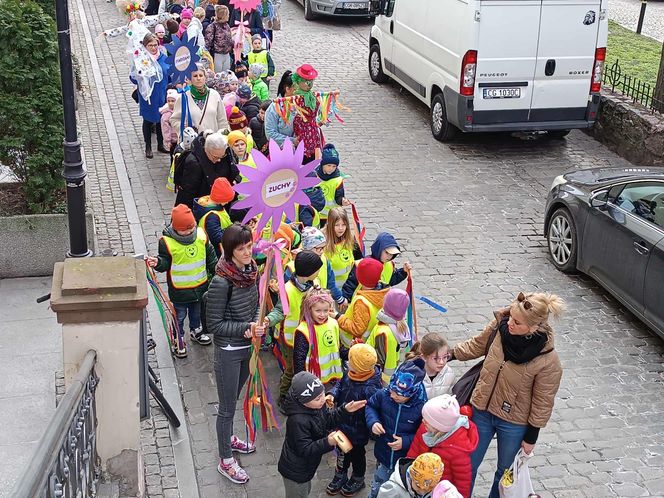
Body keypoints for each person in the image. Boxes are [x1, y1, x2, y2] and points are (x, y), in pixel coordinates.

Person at [451, 292, 564, 498]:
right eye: (511, 317)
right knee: (466, 464)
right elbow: (476, 345)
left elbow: (543, 401)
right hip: (482, 409)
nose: (510, 323)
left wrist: (531, 437)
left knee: (505, 475)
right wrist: (449, 354)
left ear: (534, 328)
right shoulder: (499, 328)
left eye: (517, 322)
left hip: (514, 422)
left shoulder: (548, 360)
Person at [205, 224, 267, 484]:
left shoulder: (251, 271)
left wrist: (257, 323)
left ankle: (228, 438)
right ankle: (225, 459)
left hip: (247, 349)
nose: (247, 252)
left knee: (234, 397)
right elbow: (214, 325)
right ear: (228, 251)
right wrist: (247, 328)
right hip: (229, 352)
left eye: (249, 246)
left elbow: (255, 305)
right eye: (240, 249)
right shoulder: (221, 282)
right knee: (227, 407)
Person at [278, 371, 367, 498]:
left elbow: (327, 420)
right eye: (317, 398)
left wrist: (345, 410)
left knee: (305, 490)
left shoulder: (316, 406)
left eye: (322, 394)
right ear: (304, 401)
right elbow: (305, 449)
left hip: (307, 467)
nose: (322, 400)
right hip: (295, 472)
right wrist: (328, 442)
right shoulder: (297, 421)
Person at [147, 204, 217, 357]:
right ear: (175, 228)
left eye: (190, 228)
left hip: (199, 287)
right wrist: (157, 263)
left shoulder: (201, 236)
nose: (188, 232)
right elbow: (166, 262)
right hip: (179, 291)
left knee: (196, 313)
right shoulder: (167, 242)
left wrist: (218, 270)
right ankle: (178, 338)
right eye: (184, 230)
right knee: (179, 316)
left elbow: (210, 256)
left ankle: (196, 330)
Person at [265, 250, 323, 409]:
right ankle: (283, 396)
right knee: (291, 370)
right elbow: (278, 311)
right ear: (309, 272)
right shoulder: (288, 290)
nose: (319, 272)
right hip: (290, 340)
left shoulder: (314, 284)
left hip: (308, 336)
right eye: (317, 269)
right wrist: (268, 320)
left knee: (303, 366)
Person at [365, 358, 427, 498]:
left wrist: (405, 442)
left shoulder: (422, 407)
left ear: (411, 393)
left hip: (405, 462)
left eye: (398, 394)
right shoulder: (385, 394)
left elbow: (424, 434)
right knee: (378, 483)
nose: (392, 395)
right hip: (384, 455)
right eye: (392, 390)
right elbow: (370, 406)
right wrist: (373, 422)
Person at [326, 344, 382, 496]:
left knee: (357, 455)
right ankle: (340, 474)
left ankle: (358, 477)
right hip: (342, 424)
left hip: (358, 430)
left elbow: (373, 409)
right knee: (342, 452)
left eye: (350, 359)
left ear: (359, 366)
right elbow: (339, 385)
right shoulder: (349, 373)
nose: (347, 361)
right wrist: (332, 394)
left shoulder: (371, 388)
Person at [407, 395, 479, 498]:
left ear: (440, 425)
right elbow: (414, 451)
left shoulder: (458, 451)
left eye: (427, 420)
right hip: (418, 483)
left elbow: (462, 482)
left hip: (439, 492)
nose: (423, 421)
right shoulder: (424, 429)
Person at [173, 131, 240, 208]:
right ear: (206, 149)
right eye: (215, 157)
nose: (219, 160)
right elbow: (187, 194)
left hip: (223, 205)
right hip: (202, 207)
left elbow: (234, 174)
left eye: (222, 156)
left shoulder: (227, 154)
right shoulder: (193, 163)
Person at [130, 33, 169, 158]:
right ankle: (148, 146)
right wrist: (139, 75)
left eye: (155, 45)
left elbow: (168, 73)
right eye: (150, 45)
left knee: (161, 120)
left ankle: (160, 144)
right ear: (145, 46)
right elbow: (133, 78)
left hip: (161, 94)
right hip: (148, 95)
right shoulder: (141, 60)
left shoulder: (163, 57)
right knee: (148, 120)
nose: (153, 48)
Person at [293, 288, 343, 385]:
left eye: (326, 310)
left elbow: (337, 348)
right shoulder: (303, 331)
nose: (322, 314)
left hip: (332, 378)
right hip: (312, 381)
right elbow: (299, 360)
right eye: (318, 310)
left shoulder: (333, 323)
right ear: (309, 309)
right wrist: (302, 383)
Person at [336, 258, 389, 349]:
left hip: (354, 346)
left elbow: (357, 329)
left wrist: (338, 317)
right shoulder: (384, 291)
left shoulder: (362, 302)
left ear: (359, 278)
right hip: (369, 342)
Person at [343, 232, 411, 302]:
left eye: (392, 254)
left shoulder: (389, 265)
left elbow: (391, 280)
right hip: (361, 303)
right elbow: (351, 284)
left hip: (378, 303)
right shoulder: (363, 264)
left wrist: (403, 271)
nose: (389, 256)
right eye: (387, 252)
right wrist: (346, 299)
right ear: (379, 249)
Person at [171, 64, 229, 139]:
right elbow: (174, 119)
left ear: (205, 77)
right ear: (190, 78)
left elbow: (222, 120)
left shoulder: (214, 95)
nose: (198, 78)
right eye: (195, 76)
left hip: (213, 142)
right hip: (192, 143)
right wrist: (182, 126)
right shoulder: (183, 98)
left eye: (201, 75)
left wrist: (223, 138)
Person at [367, 288, 411, 385]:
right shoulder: (402, 324)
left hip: (381, 379)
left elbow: (379, 359)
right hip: (393, 374)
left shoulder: (383, 332)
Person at [298, 227, 346, 310]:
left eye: (323, 248)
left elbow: (331, 283)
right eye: (318, 248)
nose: (322, 251)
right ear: (307, 248)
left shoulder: (324, 260)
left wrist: (339, 298)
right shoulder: (297, 263)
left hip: (321, 306)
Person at [193, 177, 236, 257]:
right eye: (226, 200)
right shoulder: (212, 216)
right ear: (220, 198)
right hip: (216, 253)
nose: (227, 202)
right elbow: (216, 238)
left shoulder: (216, 207)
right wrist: (234, 232)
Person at [407, 333, 455, 400]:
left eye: (445, 357)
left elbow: (451, 398)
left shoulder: (449, 374)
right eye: (435, 358)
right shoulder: (411, 375)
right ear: (424, 357)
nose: (441, 362)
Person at [324, 207, 361, 291]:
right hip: (331, 292)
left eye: (343, 225)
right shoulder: (323, 244)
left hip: (349, 289)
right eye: (337, 225)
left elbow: (359, 262)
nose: (341, 228)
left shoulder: (350, 241)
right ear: (330, 225)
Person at [292, 64, 322, 162]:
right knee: (302, 157)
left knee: (313, 156)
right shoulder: (296, 98)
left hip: (312, 131)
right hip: (302, 130)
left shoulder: (312, 96)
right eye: (306, 81)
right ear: (299, 81)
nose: (309, 84)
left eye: (311, 81)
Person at [379, 453, 445, 498]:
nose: (422, 492)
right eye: (418, 486)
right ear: (411, 476)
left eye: (428, 489)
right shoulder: (392, 489)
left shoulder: (439, 489)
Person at [316, 143, 348, 224]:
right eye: (329, 165)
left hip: (332, 216)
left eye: (334, 166)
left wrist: (342, 201)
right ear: (322, 164)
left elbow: (339, 196)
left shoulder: (338, 180)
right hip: (316, 215)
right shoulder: (314, 176)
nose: (331, 169)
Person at [265, 70, 296, 147]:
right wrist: (293, 141)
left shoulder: (301, 104)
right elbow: (270, 134)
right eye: (296, 89)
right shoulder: (274, 108)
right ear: (288, 89)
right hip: (281, 151)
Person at [205, 5, 233, 72]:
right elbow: (207, 43)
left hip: (227, 54)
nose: (229, 16)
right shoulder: (212, 26)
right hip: (217, 55)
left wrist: (235, 43)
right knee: (217, 75)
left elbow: (229, 39)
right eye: (227, 14)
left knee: (226, 76)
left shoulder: (227, 26)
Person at [160, 89, 179, 154]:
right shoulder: (166, 115)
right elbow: (165, 129)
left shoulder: (180, 111)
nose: (170, 103)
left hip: (181, 138)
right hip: (173, 140)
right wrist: (168, 141)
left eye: (173, 101)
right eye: (169, 101)